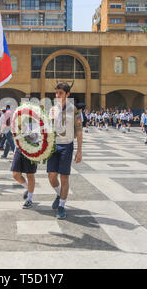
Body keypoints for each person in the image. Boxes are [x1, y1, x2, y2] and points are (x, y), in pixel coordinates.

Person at [47, 82, 83, 220]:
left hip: (67, 146)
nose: (57, 95)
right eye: (56, 93)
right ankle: (58, 193)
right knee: (51, 176)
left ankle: (61, 206)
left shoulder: (74, 111)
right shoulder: (52, 110)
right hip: (53, 146)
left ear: (67, 94)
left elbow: (79, 131)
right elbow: (48, 128)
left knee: (64, 177)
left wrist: (79, 151)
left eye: (60, 93)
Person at [11, 119, 39, 209]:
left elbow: (36, 137)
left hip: (32, 149)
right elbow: (15, 136)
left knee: (30, 175)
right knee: (15, 174)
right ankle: (28, 188)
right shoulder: (19, 120)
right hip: (19, 149)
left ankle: (29, 199)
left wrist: (26, 129)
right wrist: (15, 151)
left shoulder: (36, 121)